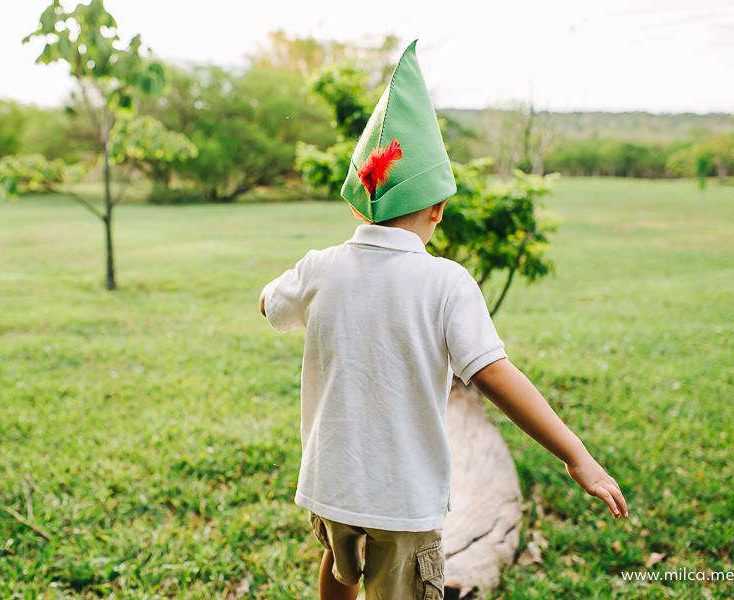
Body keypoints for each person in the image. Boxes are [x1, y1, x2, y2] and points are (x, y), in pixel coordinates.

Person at [259, 40, 628, 600]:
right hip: (403, 496)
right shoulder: (447, 281)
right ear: (438, 209)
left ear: (357, 204)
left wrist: (274, 293)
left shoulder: (319, 267)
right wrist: (576, 455)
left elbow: (270, 305)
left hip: (331, 481)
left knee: (339, 564)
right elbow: (494, 374)